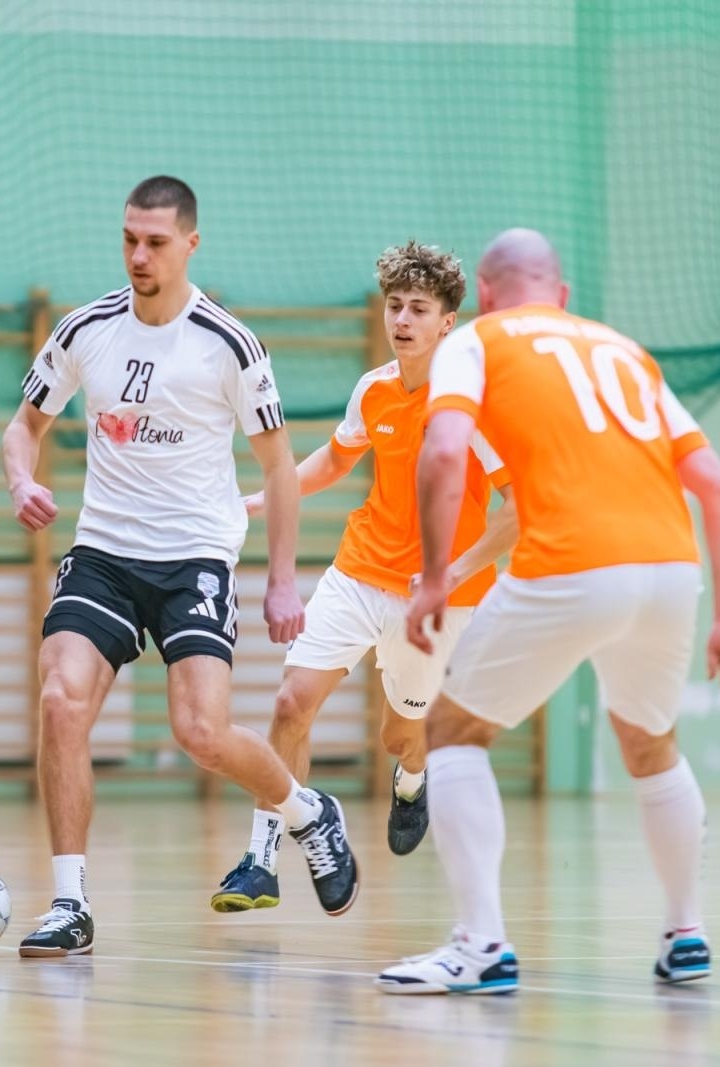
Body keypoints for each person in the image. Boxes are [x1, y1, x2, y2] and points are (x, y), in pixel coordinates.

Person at [376, 229, 720, 995]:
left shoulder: (478, 341)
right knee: (651, 744)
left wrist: (429, 578)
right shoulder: (626, 351)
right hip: (668, 569)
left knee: (452, 731)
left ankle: (481, 943)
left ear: (483, 293)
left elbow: (446, 450)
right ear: (562, 294)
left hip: (572, 563)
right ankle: (687, 930)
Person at [1, 176, 359, 958]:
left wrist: (283, 577)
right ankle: (70, 902)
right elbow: (23, 425)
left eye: (155, 242)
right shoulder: (86, 328)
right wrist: (23, 478)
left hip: (194, 554)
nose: (138, 254)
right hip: (102, 552)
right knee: (61, 700)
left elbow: (279, 468)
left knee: (200, 730)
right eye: (129, 238)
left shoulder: (228, 344)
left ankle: (306, 812)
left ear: (190, 244)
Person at [211, 242, 517, 912]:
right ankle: (261, 857)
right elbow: (334, 459)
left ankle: (413, 777)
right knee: (292, 702)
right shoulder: (374, 388)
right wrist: (259, 500)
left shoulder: (472, 408)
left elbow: (519, 509)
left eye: (419, 308)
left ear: (447, 322)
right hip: (359, 570)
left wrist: (449, 572)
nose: (402, 319)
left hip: (436, 598)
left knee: (400, 736)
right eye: (395, 305)